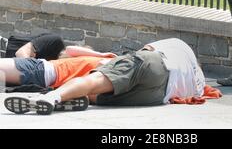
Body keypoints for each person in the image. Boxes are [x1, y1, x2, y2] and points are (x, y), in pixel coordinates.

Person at [4, 38, 206, 115]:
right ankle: (65, 98)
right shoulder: (198, 82)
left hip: (156, 65)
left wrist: (106, 58)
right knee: (100, 97)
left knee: (94, 83)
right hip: (159, 95)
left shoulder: (178, 45)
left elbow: (146, 51)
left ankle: (51, 98)